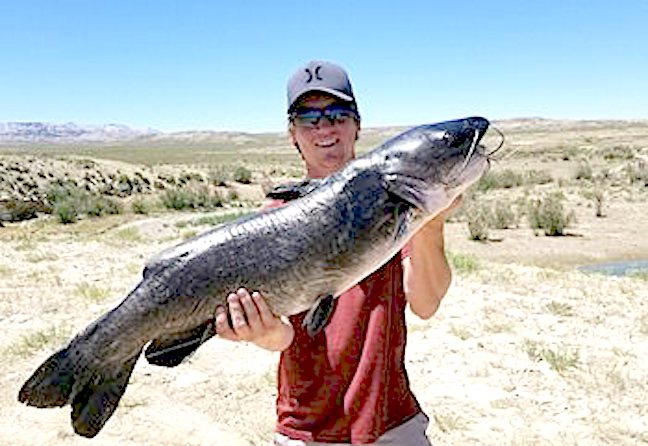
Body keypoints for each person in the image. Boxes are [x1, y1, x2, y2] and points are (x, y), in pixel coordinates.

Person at [214, 60, 460, 445]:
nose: (325, 127)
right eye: (309, 117)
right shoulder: (274, 220)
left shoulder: (391, 199)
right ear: (292, 133)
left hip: (392, 423)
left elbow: (426, 303)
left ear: (357, 124)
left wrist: (432, 222)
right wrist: (258, 331)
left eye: (337, 114)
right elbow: (283, 337)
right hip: (308, 430)